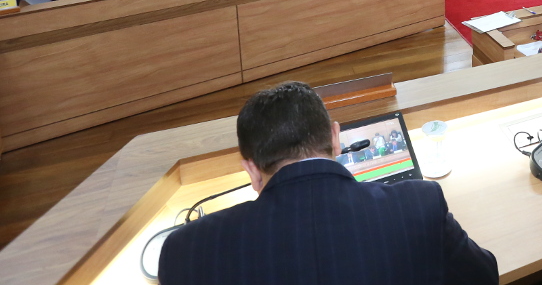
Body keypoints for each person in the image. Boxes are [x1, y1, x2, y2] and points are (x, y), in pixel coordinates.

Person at [156, 81, 498, 285]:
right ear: (336, 139)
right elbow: (484, 277)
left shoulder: (186, 250)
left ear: (251, 170)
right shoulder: (420, 204)